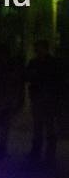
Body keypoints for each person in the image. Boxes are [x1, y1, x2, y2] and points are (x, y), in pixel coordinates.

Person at [25, 39, 64, 169]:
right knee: (39, 126)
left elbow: (58, 80)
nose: (37, 50)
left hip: (48, 98)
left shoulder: (51, 63)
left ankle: (48, 153)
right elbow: (28, 76)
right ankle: (38, 151)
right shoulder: (36, 62)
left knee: (48, 125)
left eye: (39, 48)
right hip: (39, 97)